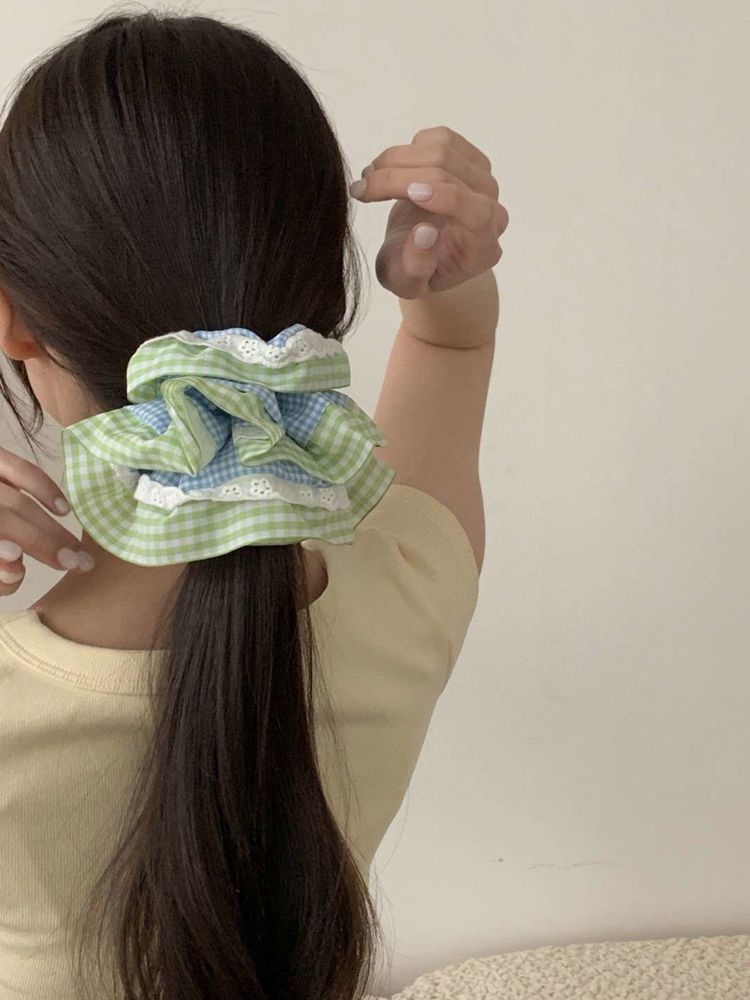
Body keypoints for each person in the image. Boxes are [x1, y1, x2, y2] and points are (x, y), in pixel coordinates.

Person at [0, 8, 508, 1000]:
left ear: (14, 320)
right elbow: (454, 345)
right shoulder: (411, 586)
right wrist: (445, 283)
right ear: (312, 300)